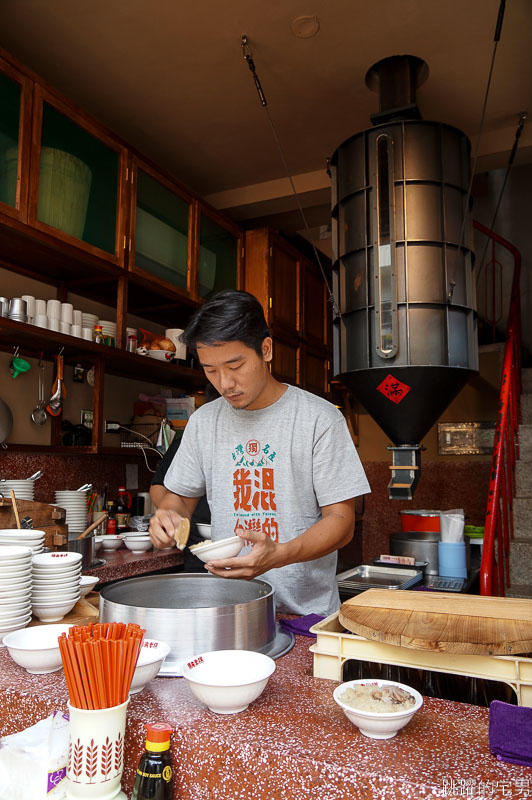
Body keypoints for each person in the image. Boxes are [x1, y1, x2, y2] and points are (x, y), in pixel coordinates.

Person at [149, 289, 370, 616]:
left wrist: (281, 554)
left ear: (265, 349)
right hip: (231, 611)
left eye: (235, 365)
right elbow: (180, 499)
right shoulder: (204, 422)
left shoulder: (319, 419)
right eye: (210, 370)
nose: (225, 383)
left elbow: (341, 521)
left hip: (305, 615)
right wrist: (168, 515)